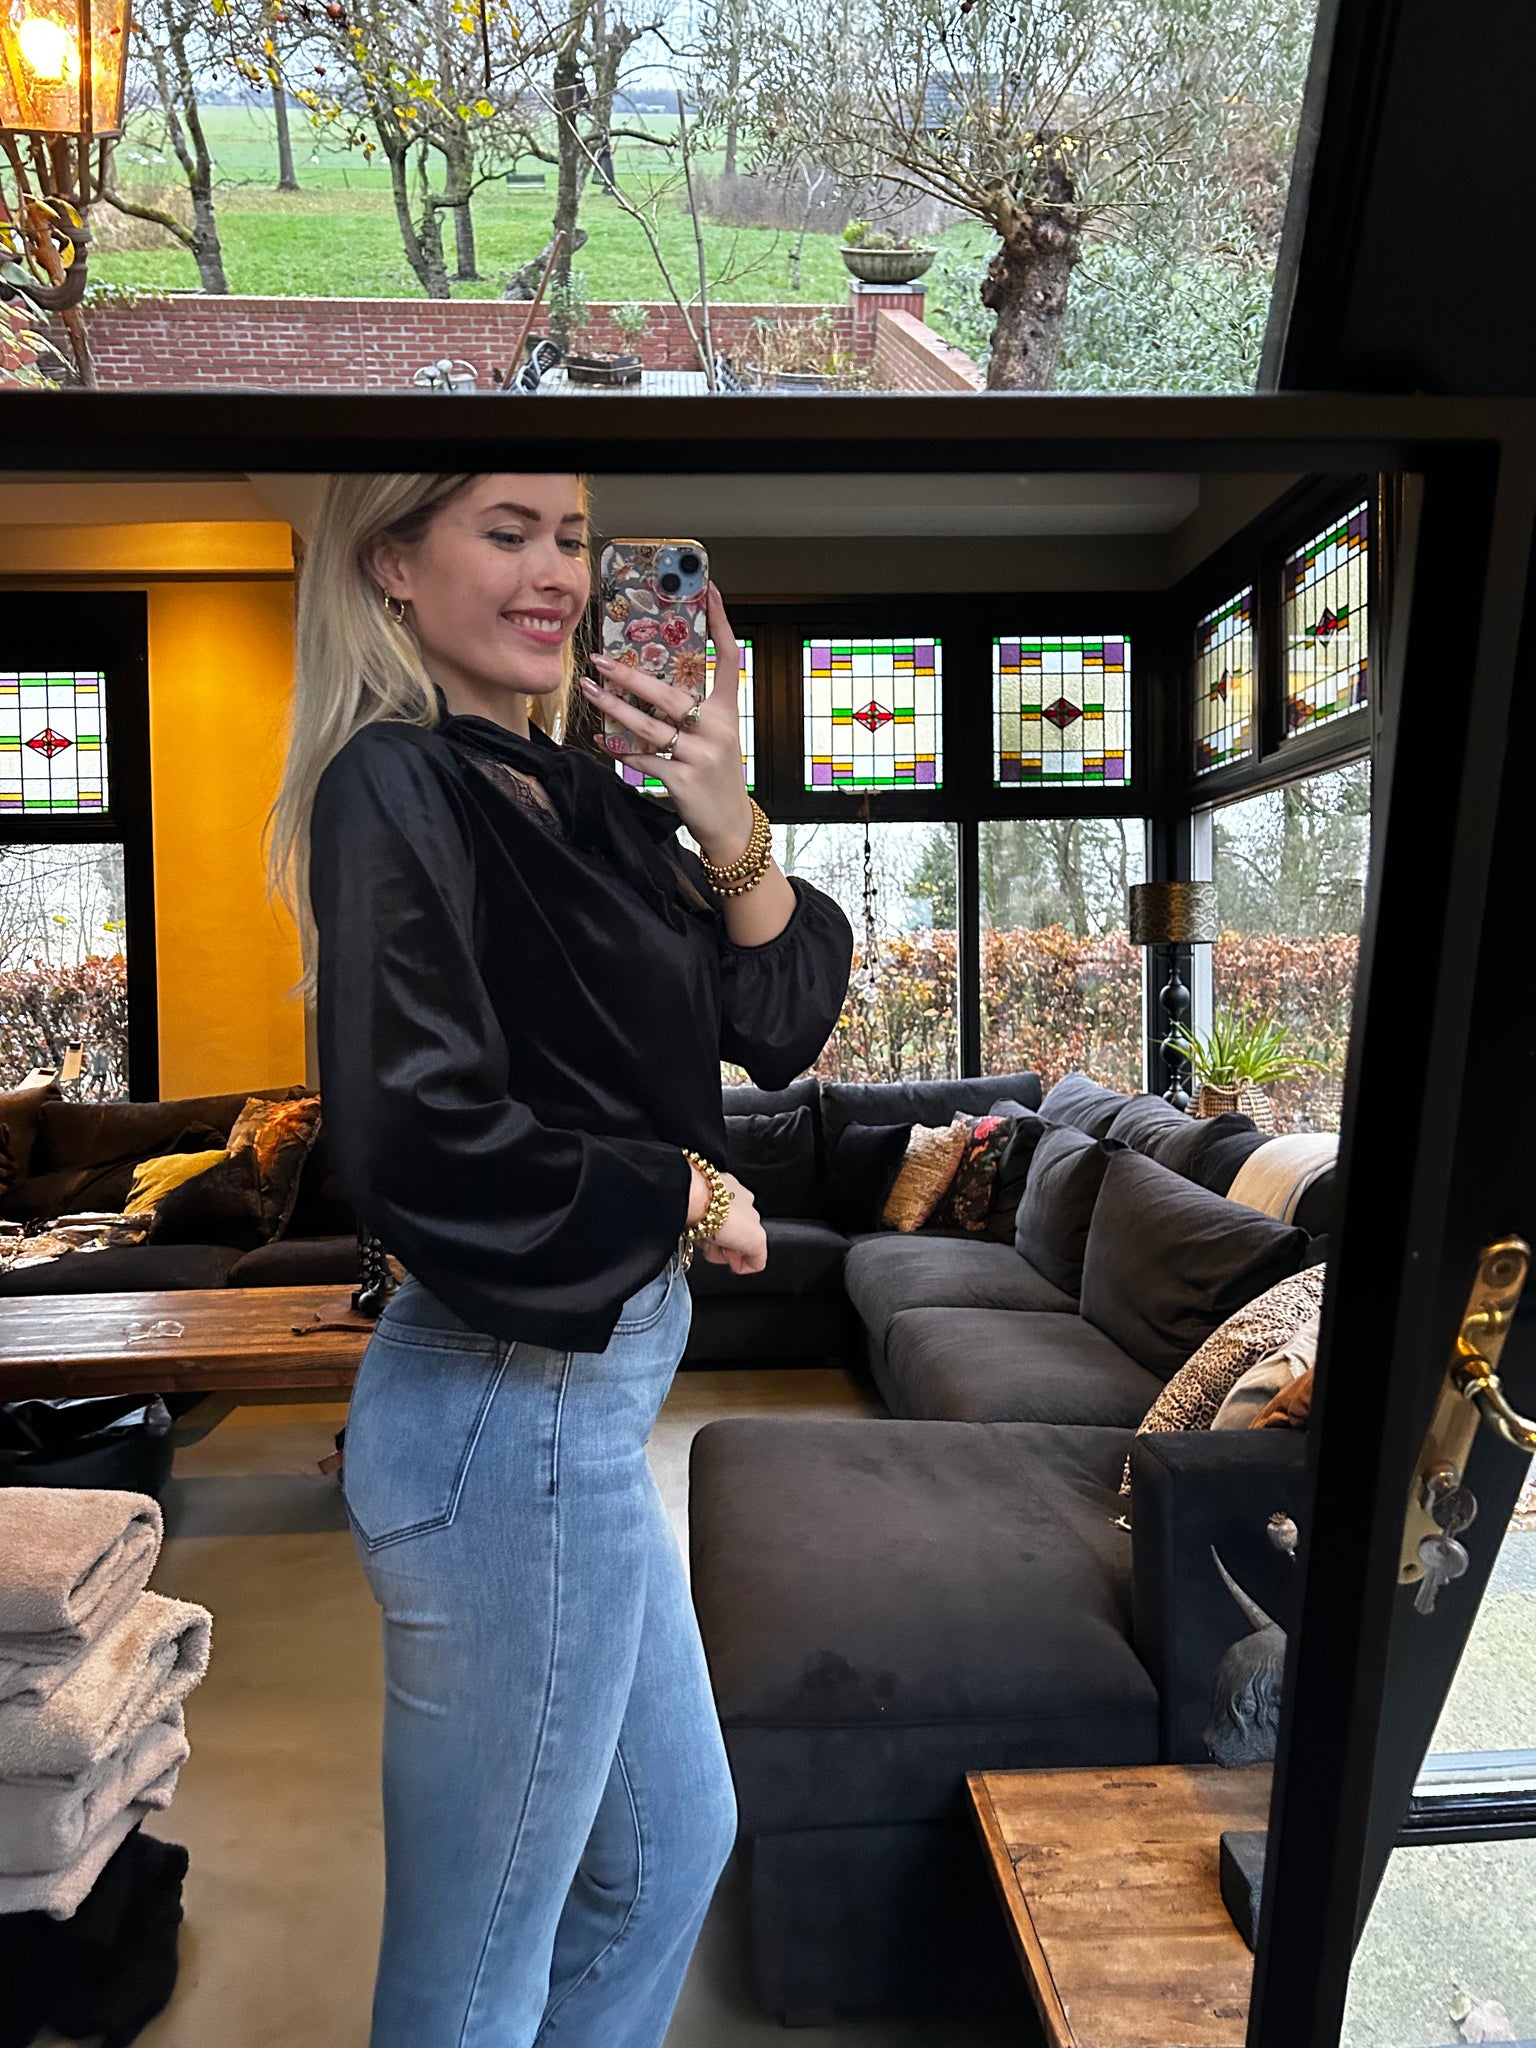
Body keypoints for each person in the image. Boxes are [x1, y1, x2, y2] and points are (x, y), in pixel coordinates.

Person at [266, 473, 852, 2048]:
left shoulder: (586, 797)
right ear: (393, 562)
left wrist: (724, 810)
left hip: (579, 1423)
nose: (557, 575)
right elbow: (414, 1132)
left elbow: (780, 1019)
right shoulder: (394, 784)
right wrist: (678, 1194)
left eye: (575, 539)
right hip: (498, 1412)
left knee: (669, 1859)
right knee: (475, 1977)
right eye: (506, 531)